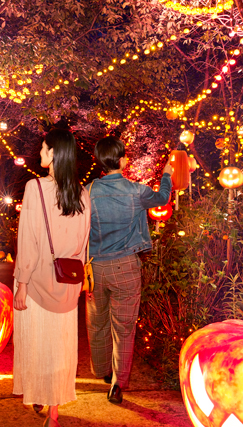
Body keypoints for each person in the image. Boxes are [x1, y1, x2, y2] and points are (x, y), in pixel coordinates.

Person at [12, 129, 91, 427]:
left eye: (44, 150)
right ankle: (54, 413)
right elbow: (85, 241)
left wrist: (22, 281)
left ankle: (40, 395)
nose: (41, 154)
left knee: (37, 341)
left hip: (40, 281)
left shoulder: (35, 188)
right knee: (61, 346)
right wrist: (82, 275)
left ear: (54, 154)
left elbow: (29, 241)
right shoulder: (82, 194)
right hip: (68, 281)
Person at [86, 136, 173, 404]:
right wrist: (167, 174)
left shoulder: (87, 191)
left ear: (99, 162)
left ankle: (102, 370)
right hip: (126, 266)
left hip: (95, 267)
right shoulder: (137, 191)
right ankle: (118, 383)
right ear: (123, 160)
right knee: (123, 328)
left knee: (97, 321)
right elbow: (162, 198)